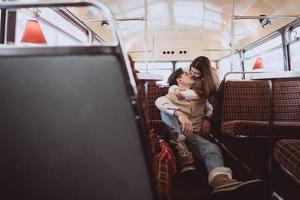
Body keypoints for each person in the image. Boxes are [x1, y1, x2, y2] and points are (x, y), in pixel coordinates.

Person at [155, 57, 271, 199]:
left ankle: (223, 182)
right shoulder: (173, 94)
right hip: (182, 133)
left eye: (194, 73)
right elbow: (159, 101)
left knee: (212, 148)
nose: (191, 75)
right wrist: (180, 114)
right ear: (179, 81)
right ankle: (183, 149)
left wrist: (208, 118)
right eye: (187, 73)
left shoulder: (200, 93)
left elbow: (209, 107)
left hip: (196, 133)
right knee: (167, 111)